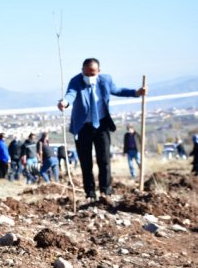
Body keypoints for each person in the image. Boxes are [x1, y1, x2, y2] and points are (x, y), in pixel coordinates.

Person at [58, 58, 147, 199]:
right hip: (83, 127)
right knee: (85, 162)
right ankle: (90, 192)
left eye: (92, 74)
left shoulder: (105, 80)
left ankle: (106, 190)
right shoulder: (76, 81)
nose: (89, 77)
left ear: (99, 71)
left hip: (101, 125)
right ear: (82, 71)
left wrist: (136, 92)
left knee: (104, 160)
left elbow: (117, 90)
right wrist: (65, 102)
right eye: (86, 73)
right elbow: (71, 94)